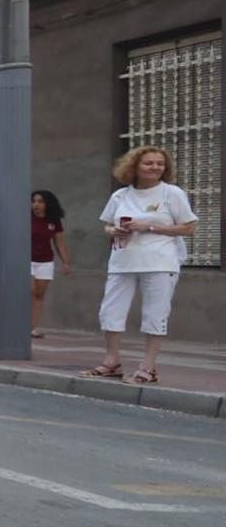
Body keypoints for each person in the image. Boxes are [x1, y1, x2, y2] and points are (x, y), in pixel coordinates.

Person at [83, 146, 197, 385]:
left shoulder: (171, 193)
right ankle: (111, 361)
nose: (155, 167)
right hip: (122, 260)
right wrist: (113, 230)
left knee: (155, 313)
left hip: (159, 261)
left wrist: (150, 227)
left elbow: (188, 227)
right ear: (134, 166)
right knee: (111, 311)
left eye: (160, 163)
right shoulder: (120, 196)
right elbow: (106, 226)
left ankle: (148, 367)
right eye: (149, 163)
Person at [30, 189, 71, 338]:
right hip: (27, 260)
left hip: (45, 260)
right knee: (29, 291)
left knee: (39, 293)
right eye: (34, 201)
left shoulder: (53, 221)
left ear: (47, 204)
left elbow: (59, 243)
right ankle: (20, 324)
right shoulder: (26, 218)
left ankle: (32, 327)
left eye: (40, 201)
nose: (36, 205)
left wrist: (66, 262)